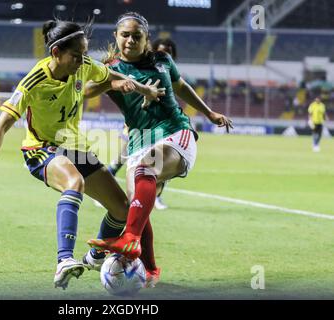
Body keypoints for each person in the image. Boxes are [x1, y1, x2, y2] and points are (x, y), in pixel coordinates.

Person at [0, 19, 164, 290]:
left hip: (76, 148)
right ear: (56, 53)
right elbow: (1, 123)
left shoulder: (83, 66)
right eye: (76, 55)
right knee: (75, 183)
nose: (82, 61)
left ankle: (95, 256)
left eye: (84, 54)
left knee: (121, 209)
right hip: (42, 149)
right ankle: (63, 260)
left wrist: (144, 90)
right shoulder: (33, 81)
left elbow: (113, 76)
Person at [85, 12, 233, 286]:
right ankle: (151, 270)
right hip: (139, 141)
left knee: (146, 170)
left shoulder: (163, 61)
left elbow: (181, 86)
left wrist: (209, 112)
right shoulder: (109, 68)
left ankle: (129, 239)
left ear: (146, 38)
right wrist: (114, 83)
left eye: (136, 35)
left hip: (175, 133)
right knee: (134, 207)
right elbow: (85, 91)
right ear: (116, 37)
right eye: (125, 35)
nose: (130, 40)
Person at [104, 38, 180, 211]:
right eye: (162, 50)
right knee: (121, 160)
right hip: (138, 125)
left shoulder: (166, 69)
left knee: (159, 163)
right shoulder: (144, 68)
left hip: (160, 126)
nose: (166, 53)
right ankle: (107, 189)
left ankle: (155, 197)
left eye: (169, 51)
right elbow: (135, 101)